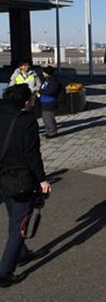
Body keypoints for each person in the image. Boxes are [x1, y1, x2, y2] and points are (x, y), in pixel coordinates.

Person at [0, 84, 51, 287]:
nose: (33, 100)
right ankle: (4, 272)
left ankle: (21, 253)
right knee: (19, 225)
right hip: (21, 178)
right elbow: (32, 155)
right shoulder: (27, 121)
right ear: (25, 101)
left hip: (3, 176)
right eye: (31, 97)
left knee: (14, 217)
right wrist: (42, 179)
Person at [39, 66, 61, 138]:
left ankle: (52, 132)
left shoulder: (54, 81)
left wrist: (40, 91)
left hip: (50, 102)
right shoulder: (46, 80)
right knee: (45, 118)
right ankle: (48, 131)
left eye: (44, 72)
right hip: (44, 101)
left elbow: (51, 91)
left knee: (49, 118)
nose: (43, 73)